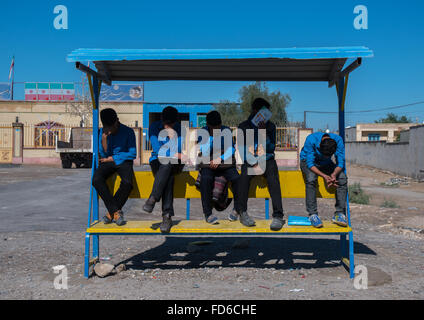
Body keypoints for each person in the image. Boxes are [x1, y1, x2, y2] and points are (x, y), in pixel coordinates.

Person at [236, 97, 285, 231]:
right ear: (255, 111)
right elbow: (241, 149)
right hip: (250, 159)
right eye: (263, 112)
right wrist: (253, 162)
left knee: (273, 177)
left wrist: (263, 133)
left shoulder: (271, 126)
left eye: (267, 113)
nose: (266, 115)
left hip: (267, 159)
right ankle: (242, 212)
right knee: (244, 176)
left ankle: (278, 215)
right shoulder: (243, 126)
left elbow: (271, 148)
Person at [197, 110, 251, 226]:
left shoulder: (226, 130)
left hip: (224, 163)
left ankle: (237, 209)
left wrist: (220, 158)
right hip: (209, 163)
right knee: (206, 179)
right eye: (214, 128)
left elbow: (231, 149)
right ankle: (208, 213)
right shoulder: (203, 132)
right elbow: (205, 151)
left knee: (237, 179)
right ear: (208, 126)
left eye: (218, 127)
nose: (217, 130)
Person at [142, 106, 184, 233]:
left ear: (175, 122)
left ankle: (153, 198)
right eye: (167, 123)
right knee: (168, 175)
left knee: (168, 164)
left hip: (175, 163)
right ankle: (167, 217)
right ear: (162, 119)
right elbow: (157, 150)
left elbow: (177, 149)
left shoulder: (180, 129)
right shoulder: (154, 127)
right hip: (157, 161)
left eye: (171, 124)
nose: (168, 126)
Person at [92, 108, 136, 226]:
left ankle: (110, 214)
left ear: (117, 121)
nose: (111, 130)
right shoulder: (102, 133)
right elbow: (104, 154)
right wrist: (104, 138)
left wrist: (114, 158)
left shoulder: (128, 131)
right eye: (108, 127)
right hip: (107, 161)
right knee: (96, 179)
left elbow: (132, 153)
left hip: (124, 161)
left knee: (127, 183)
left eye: (112, 126)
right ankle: (115, 212)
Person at [299, 131, 348, 228]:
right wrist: (325, 176)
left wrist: (334, 174)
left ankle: (339, 213)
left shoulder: (338, 140)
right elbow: (310, 164)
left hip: (326, 163)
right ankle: (312, 214)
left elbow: (340, 163)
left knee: (342, 178)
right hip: (307, 161)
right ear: (319, 146)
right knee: (311, 178)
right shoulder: (311, 139)